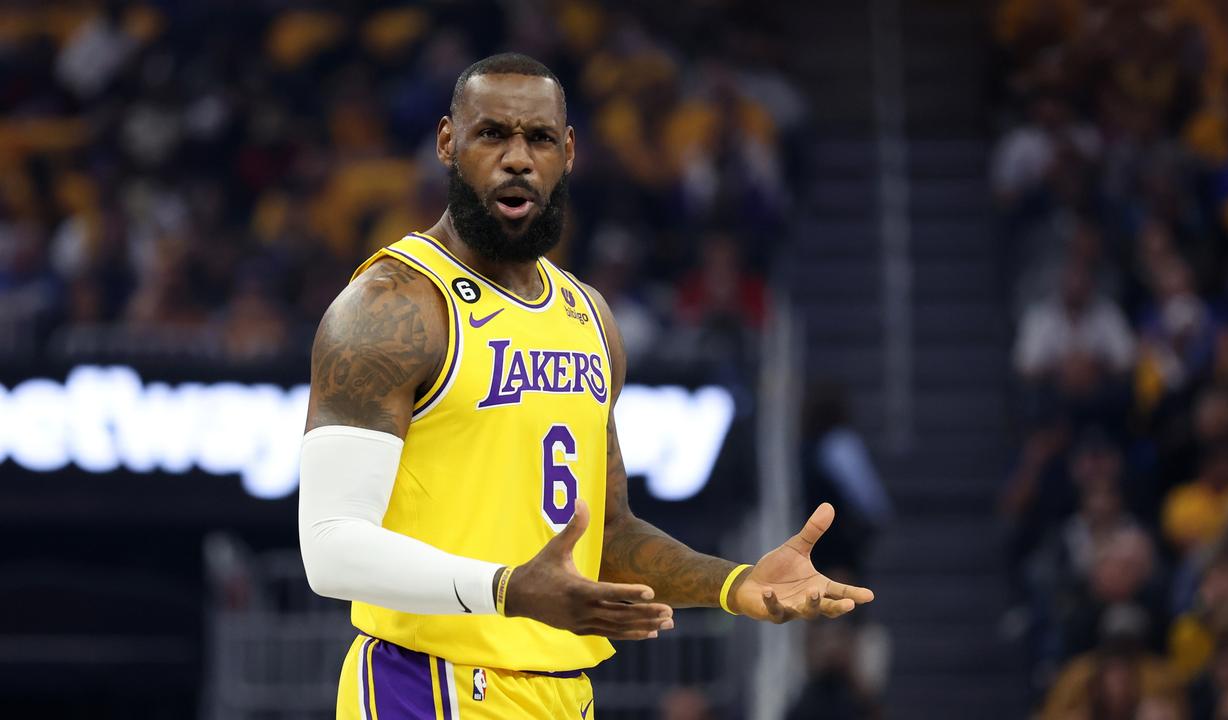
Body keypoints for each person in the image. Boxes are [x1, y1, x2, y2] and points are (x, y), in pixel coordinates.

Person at [297, 53, 874, 719]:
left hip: (562, 693)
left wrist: (735, 583)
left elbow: (608, 538)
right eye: (492, 134)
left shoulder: (591, 318)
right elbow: (331, 546)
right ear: (447, 143)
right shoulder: (390, 306)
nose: (518, 158)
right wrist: (508, 589)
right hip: (427, 685)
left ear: (567, 152)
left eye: (538, 138)